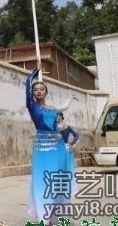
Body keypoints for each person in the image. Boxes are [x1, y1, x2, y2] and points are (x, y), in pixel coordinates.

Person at [26, 67, 71, 225]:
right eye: (35, 90)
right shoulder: (33, 107)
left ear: (46, 92)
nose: (38, 91)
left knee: (55, 181)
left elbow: (60, 117)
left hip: (57, 147)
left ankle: (51, 216)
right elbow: (27, 91)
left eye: (41, 89)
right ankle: (43, 217)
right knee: (41, 180)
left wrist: (70, 99)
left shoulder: (52, 108)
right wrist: (32, 75)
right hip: (42, 148)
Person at [57, 111, 80, 196]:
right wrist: (72, 145)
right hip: (64, 149)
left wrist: (72, 145)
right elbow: (76, 136)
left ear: (60, 117)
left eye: (57, 116)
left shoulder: (58, 127)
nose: (56, 118)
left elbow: (76, 136)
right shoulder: (66, 126)